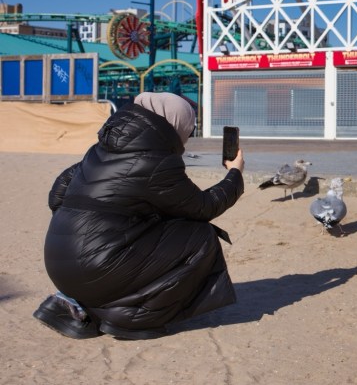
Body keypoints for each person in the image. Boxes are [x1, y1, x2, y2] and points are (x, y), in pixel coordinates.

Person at [33, 92, 245, 340]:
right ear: (174, 125)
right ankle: (130, 320)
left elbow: (57, 195)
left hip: (58, 263)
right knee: (201, 236)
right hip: (94, 268)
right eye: (188, 130)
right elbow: (204, 207)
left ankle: (76, 302)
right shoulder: (156, 161)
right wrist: (235, 174)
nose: (186, 138)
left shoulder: (100, 150)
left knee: (157, 227)